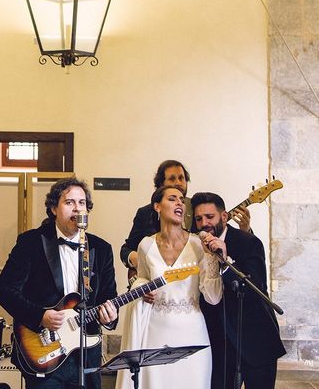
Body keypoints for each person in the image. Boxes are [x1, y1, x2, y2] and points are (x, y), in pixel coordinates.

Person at [0, 177, 118, 389]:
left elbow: (108, 296)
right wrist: (40, 316)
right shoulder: (31, 242)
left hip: (86, 356)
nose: (77, 209)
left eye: (82, 203)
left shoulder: (101, 249)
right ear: (54, 208)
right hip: (43, 350)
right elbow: (4, 290)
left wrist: (110, 317)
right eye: (69, 202)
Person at [115, 185, 223, 389]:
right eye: (172, 199)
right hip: (154, 333)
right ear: (157, 206)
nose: (180, 203)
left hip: (192, 332)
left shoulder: (199, 245)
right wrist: (141, 288)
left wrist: (212, 259)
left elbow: (213, 297)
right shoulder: (145, 246)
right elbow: (141, 281)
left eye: (182, 199)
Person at [193, 192, 286, 389]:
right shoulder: (195, 247)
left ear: (224, 217)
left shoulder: (249, 242)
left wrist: (224, 261)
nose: (204, 224)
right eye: (199, 219)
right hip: (221, 345)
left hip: (256, 339)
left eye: (210, 217)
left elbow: (256, 286)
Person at [120, 160, 251, 279]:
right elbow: (126, 249)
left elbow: (217, 236)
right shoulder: (145, 213)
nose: (178, 183)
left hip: (192, 279)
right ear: (161, 184)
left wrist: (245, 231)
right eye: (172, 179)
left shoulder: (196, 208)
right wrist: (136, 259)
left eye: (182, 178)